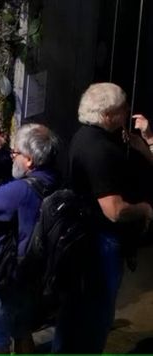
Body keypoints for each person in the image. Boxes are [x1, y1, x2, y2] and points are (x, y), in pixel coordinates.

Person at [53, 82, 153, 353]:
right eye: (123, 108)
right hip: (101, 244)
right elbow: (115, 210)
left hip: (83, 235)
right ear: (108, 115)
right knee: (97, 314)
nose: (129, 111)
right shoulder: (100, 151)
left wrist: (144, 144)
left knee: (74, 310)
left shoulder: (86, 136)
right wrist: (144, 209)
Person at [0, 123, 61, 353]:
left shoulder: (22, 192)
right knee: (22, 330)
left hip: (8, 278)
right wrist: (2, 153)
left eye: (15, 153)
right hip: (34, 275)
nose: (12, 155)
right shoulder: (53, 178)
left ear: (29, 160)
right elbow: (17, 176)